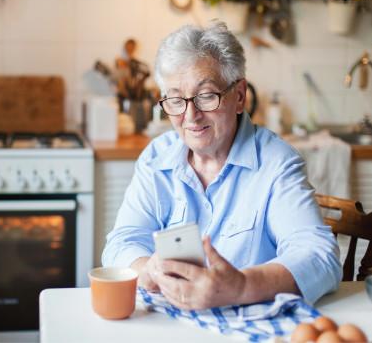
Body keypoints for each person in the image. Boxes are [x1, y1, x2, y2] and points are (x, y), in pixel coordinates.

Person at [102, 21, 341, 310]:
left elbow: (319, 256)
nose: (191, 116)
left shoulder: (276, 162)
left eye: (205, 96)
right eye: (176, 99)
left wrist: (241, 286)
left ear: (239, 96)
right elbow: (121, 243)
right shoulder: (156, 158)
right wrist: (149, 269)